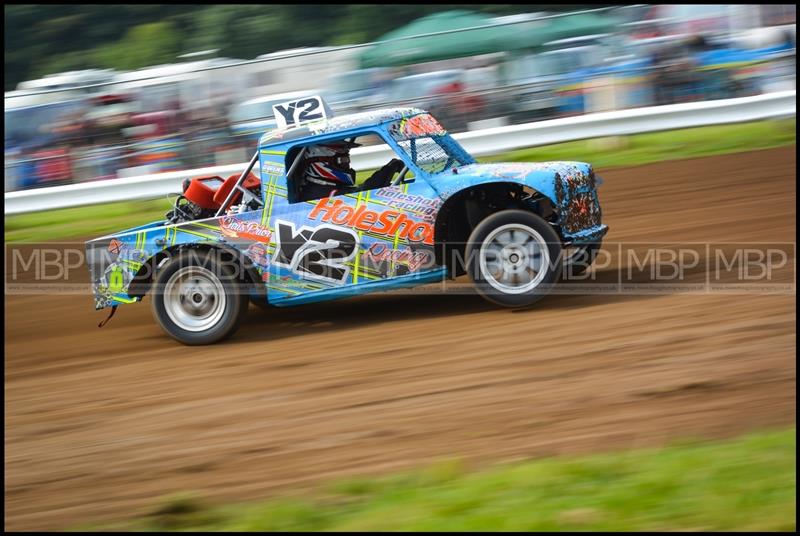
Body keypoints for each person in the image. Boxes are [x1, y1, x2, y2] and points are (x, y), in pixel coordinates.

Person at [298, 140, 406, 201]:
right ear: (322, 163)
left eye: (348, 159)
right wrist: (391, 167)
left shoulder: (325, 187)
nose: (348, 164)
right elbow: (363, 192)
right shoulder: (317, 192)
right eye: (343, 160)